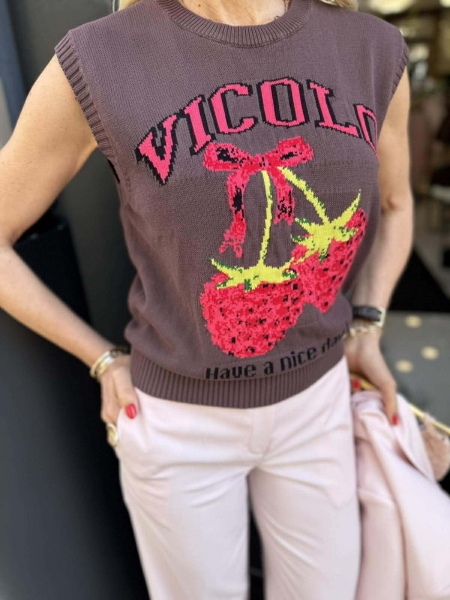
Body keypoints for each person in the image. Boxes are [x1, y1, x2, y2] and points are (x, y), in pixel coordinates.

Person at [0, 0, 412, 597]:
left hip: (319, 405)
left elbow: (396, 205)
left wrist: (367, 322)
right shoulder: (100, 59)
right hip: (179, 423)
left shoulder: (370, 48)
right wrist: (101, 358)